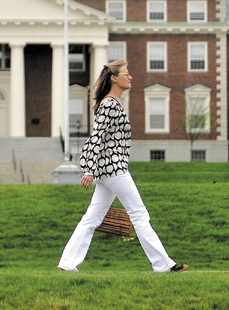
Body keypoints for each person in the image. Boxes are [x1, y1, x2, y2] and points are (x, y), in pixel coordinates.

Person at [57, 60, 187, 273]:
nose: (131, 77)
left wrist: (93, 170)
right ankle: (164, 265)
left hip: (109, 171)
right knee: (139, 214)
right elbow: (96, 137)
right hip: (114, 169)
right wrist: (89, 170)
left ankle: (67, 264)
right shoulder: (109, 104)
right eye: (127, 73)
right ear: (114, 78)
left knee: (92, 218)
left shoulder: (113, 104)